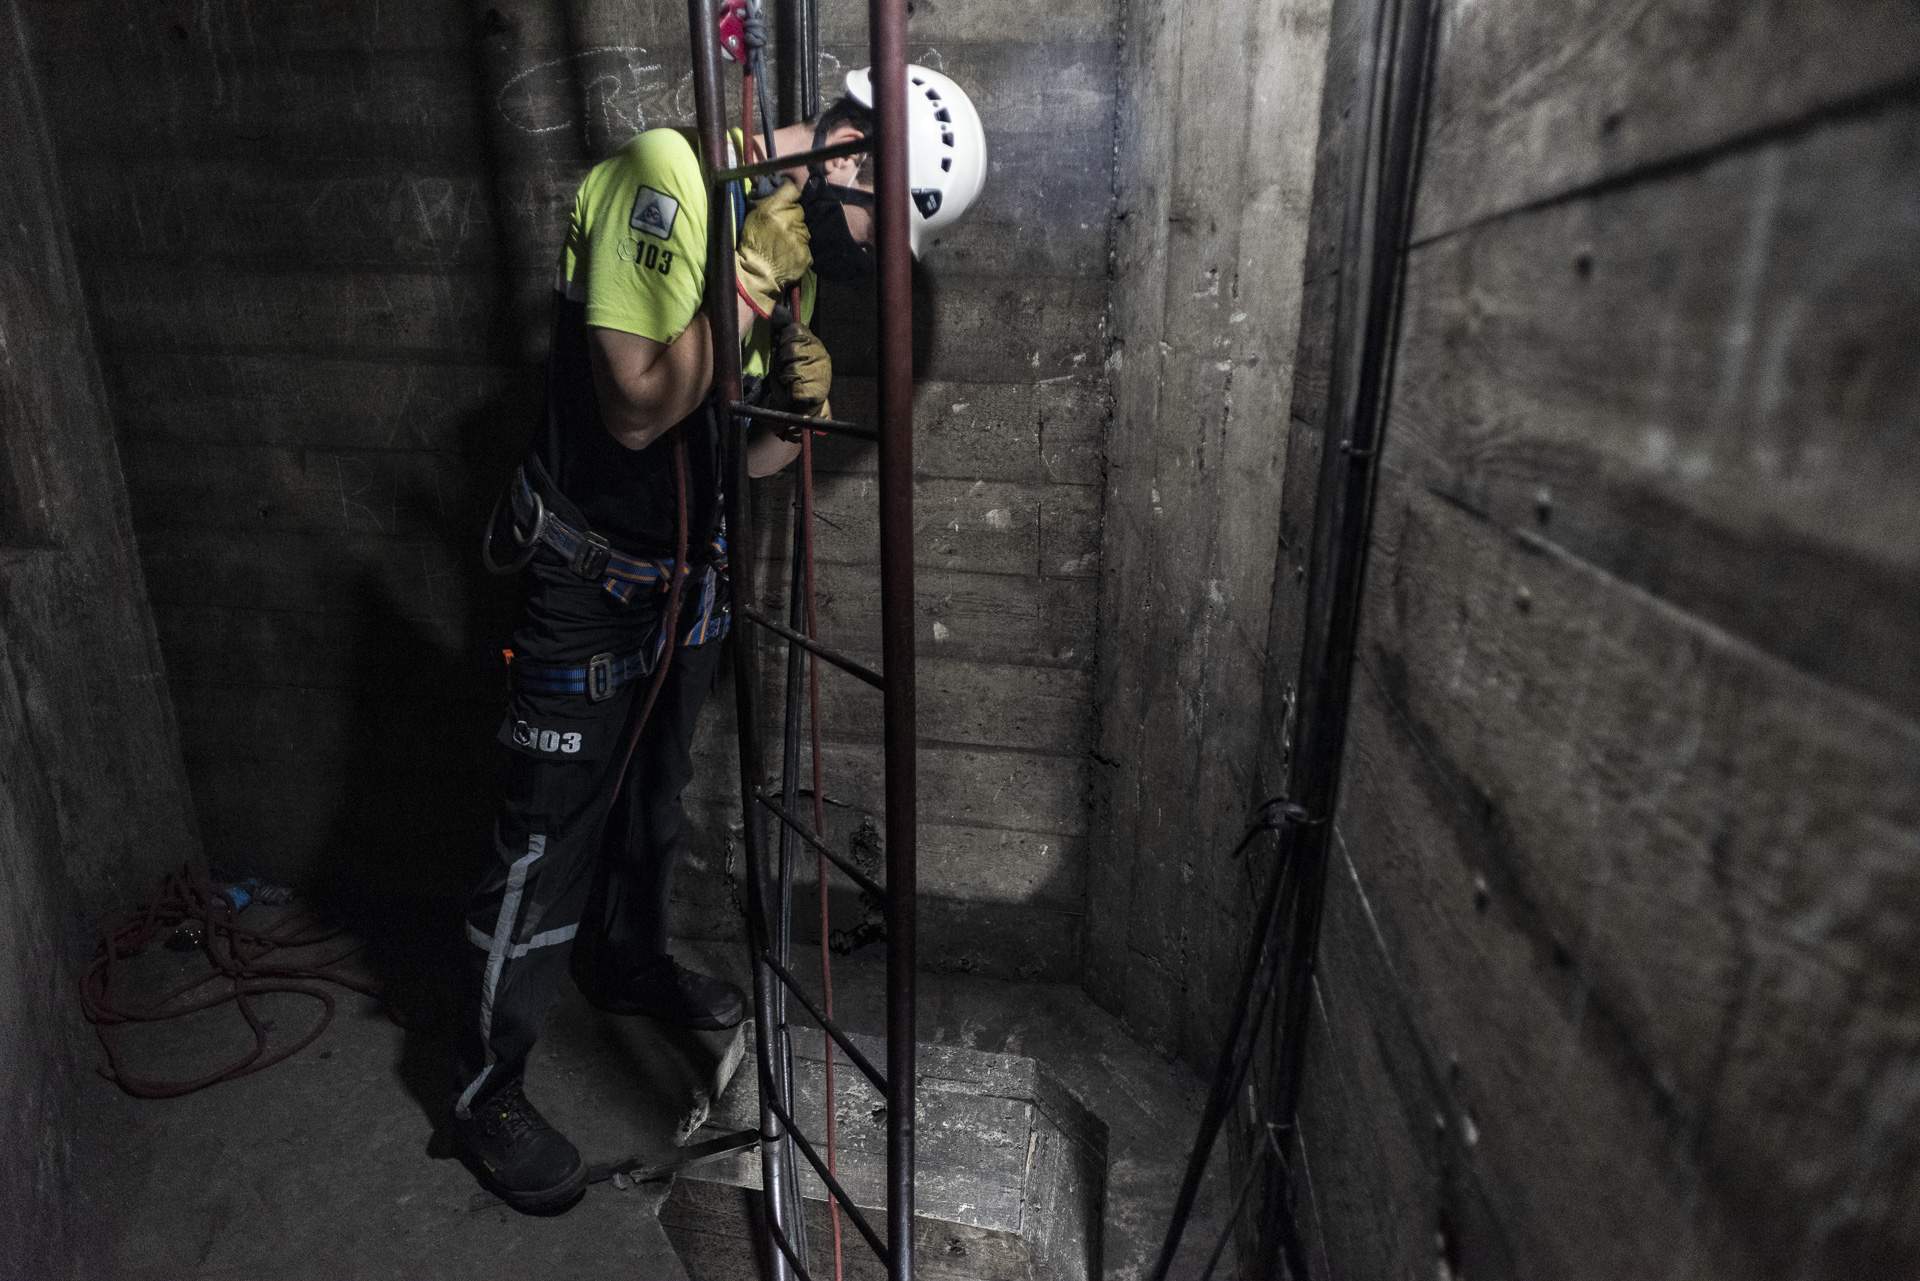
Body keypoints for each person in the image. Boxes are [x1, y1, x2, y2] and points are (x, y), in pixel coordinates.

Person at [451, 65, 987, 1212]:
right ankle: (483, 1087)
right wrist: (746, 286)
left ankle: (623, 961)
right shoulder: (672, 179)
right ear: (851, 156)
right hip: (587, 585)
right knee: (547, 843)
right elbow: (637, 405)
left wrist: (790, 421)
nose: (863, 257)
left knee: (654, 804)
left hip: (682, 586)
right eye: (872, 223)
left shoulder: (784, 240)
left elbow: (716, 468)